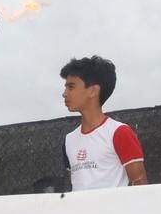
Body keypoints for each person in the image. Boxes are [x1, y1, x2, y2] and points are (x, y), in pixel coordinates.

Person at [60, 56, 147, 191]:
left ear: (93, 91)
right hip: (78, 212)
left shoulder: (119, 132)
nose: (64, 94)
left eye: (71, 87)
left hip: (113, 212)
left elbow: (141, 188)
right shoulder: (68, 140)